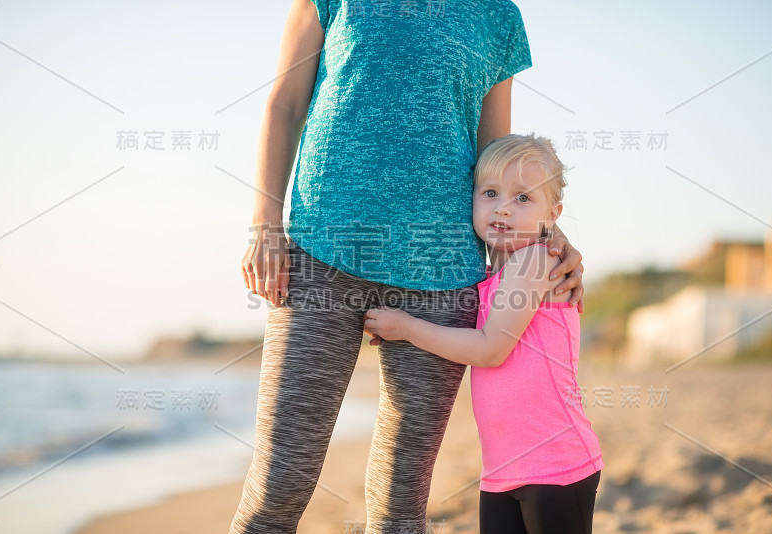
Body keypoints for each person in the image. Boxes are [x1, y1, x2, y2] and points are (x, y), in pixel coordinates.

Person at [232, 1, 586, 532]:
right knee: (278, 487)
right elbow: (284, 104)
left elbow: (496, 155)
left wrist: (546, 233)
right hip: (322, 249)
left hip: (442, 271)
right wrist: (264, 221)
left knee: (401, 506)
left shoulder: (497, 16)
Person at [364, 134, 603, 534]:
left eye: (523, 198)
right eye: (490, 193)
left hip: (555, 464)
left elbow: (491, 349)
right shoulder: (493, 275)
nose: (503, 209)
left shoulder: (537, 260)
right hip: (501, 470)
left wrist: (406, 328)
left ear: (553, 214)